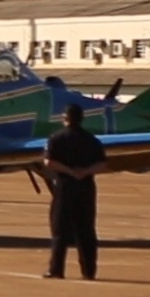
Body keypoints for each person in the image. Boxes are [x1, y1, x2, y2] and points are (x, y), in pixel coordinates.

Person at [43, 103, 109, 280]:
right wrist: (84, 172)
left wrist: (70, 172)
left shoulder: (56, 138)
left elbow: (49, 162)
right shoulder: (92, 140)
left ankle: (56, 269)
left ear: (65, 119)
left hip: (65, 186)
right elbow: (102, 164)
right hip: (86, 187)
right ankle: (89, 271)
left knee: (60, 229)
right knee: (86, 229)